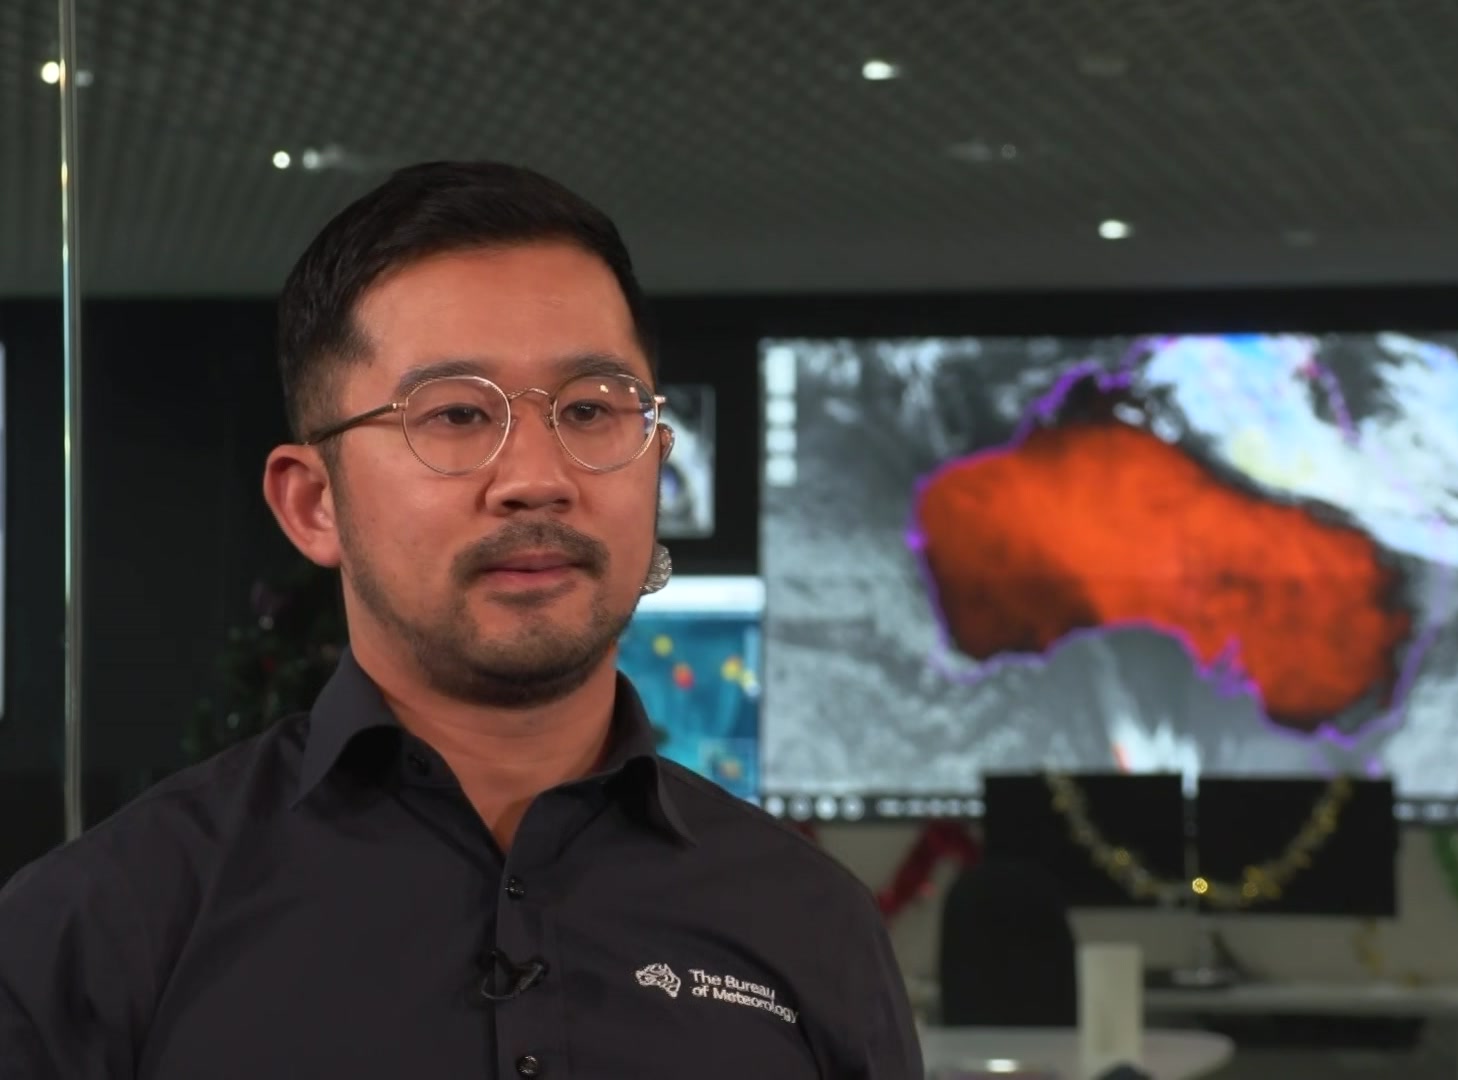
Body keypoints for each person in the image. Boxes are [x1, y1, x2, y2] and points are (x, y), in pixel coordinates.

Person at [0, 161, 922, 1079]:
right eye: (453, 414)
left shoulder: (808, 923)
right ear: (313, 502)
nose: (536, 478)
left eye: (592, 409)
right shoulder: (106, 927)